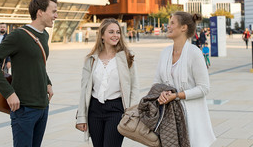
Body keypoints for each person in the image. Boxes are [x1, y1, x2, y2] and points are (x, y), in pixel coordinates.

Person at [0, 0, 57, 147]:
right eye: (54, 11)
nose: (56, 16)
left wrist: (48, 83)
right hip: (24, 108)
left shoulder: (44, 35)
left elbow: (38, 64)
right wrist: (9, 93)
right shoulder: (19, 35)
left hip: (42, 106)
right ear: (40, 12)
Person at [154, 11, 216, 147]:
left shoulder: (195, 53)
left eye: (172, 23)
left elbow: (204, 88)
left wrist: (176, 96)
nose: (168, 26)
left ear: (184, 27)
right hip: (168, 119)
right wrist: (162, 93)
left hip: (192, 119)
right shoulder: (165, 53)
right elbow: (157, 82)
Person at [76, 18, 140, 147]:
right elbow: (84, 89)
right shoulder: (91, 59)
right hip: (94, 110)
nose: (115, 35)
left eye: (118, 32)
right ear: (102, 35)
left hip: (116, 110)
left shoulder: (127, 57)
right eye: (111, 32)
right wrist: (81, 117)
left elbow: (134, 87)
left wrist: (131, 113)